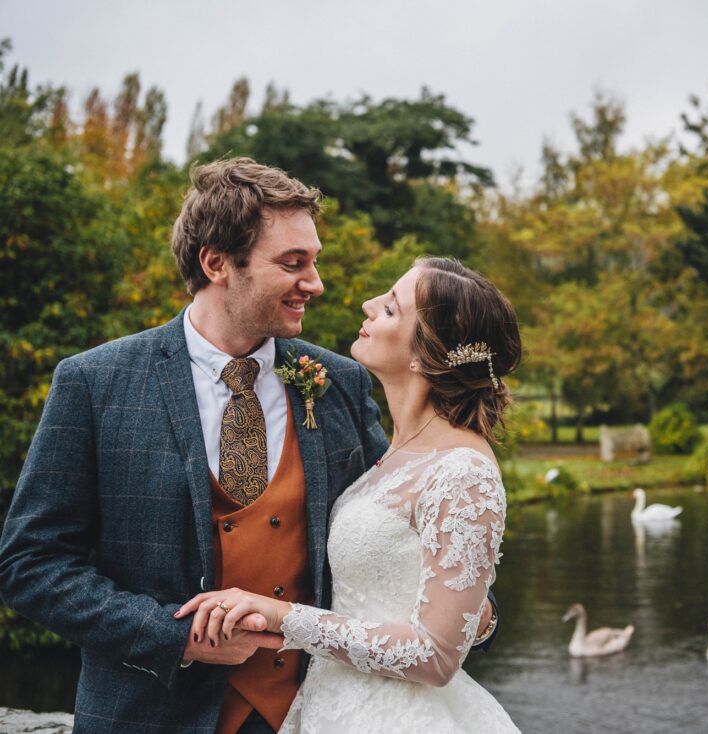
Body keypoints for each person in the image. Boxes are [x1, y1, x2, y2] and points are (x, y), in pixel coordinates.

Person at [0, 159, 499, 734]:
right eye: (293, 264)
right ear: (217, 263)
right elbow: (29, 565)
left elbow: (412, 528)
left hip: (317, 713)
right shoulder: (95, 383)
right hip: (150, 716)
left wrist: (468, 618)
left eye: (314, 261)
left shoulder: (340, 383)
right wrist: (175, 635)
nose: (316, 283)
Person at [177, 256, 521, 733]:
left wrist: (281, 615)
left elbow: (437, 656)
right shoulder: (400, 450)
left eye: (391, 309)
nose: (368, 304)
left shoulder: (464, 470)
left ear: (425, 356)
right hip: (333, 703)